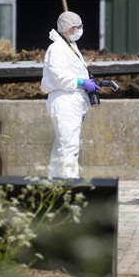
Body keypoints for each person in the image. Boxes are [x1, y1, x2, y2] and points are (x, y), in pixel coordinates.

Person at [41, 11, 101, 178]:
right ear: (70, 28)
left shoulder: (69, 46)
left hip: (71, 101)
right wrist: (81, 82)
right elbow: (59, 76)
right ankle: (69, 184)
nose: (80, 30)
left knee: (62, 145)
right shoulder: (57, 48)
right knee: (68, 146)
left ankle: (56, 183)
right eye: (78, 27)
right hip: (64, 99)